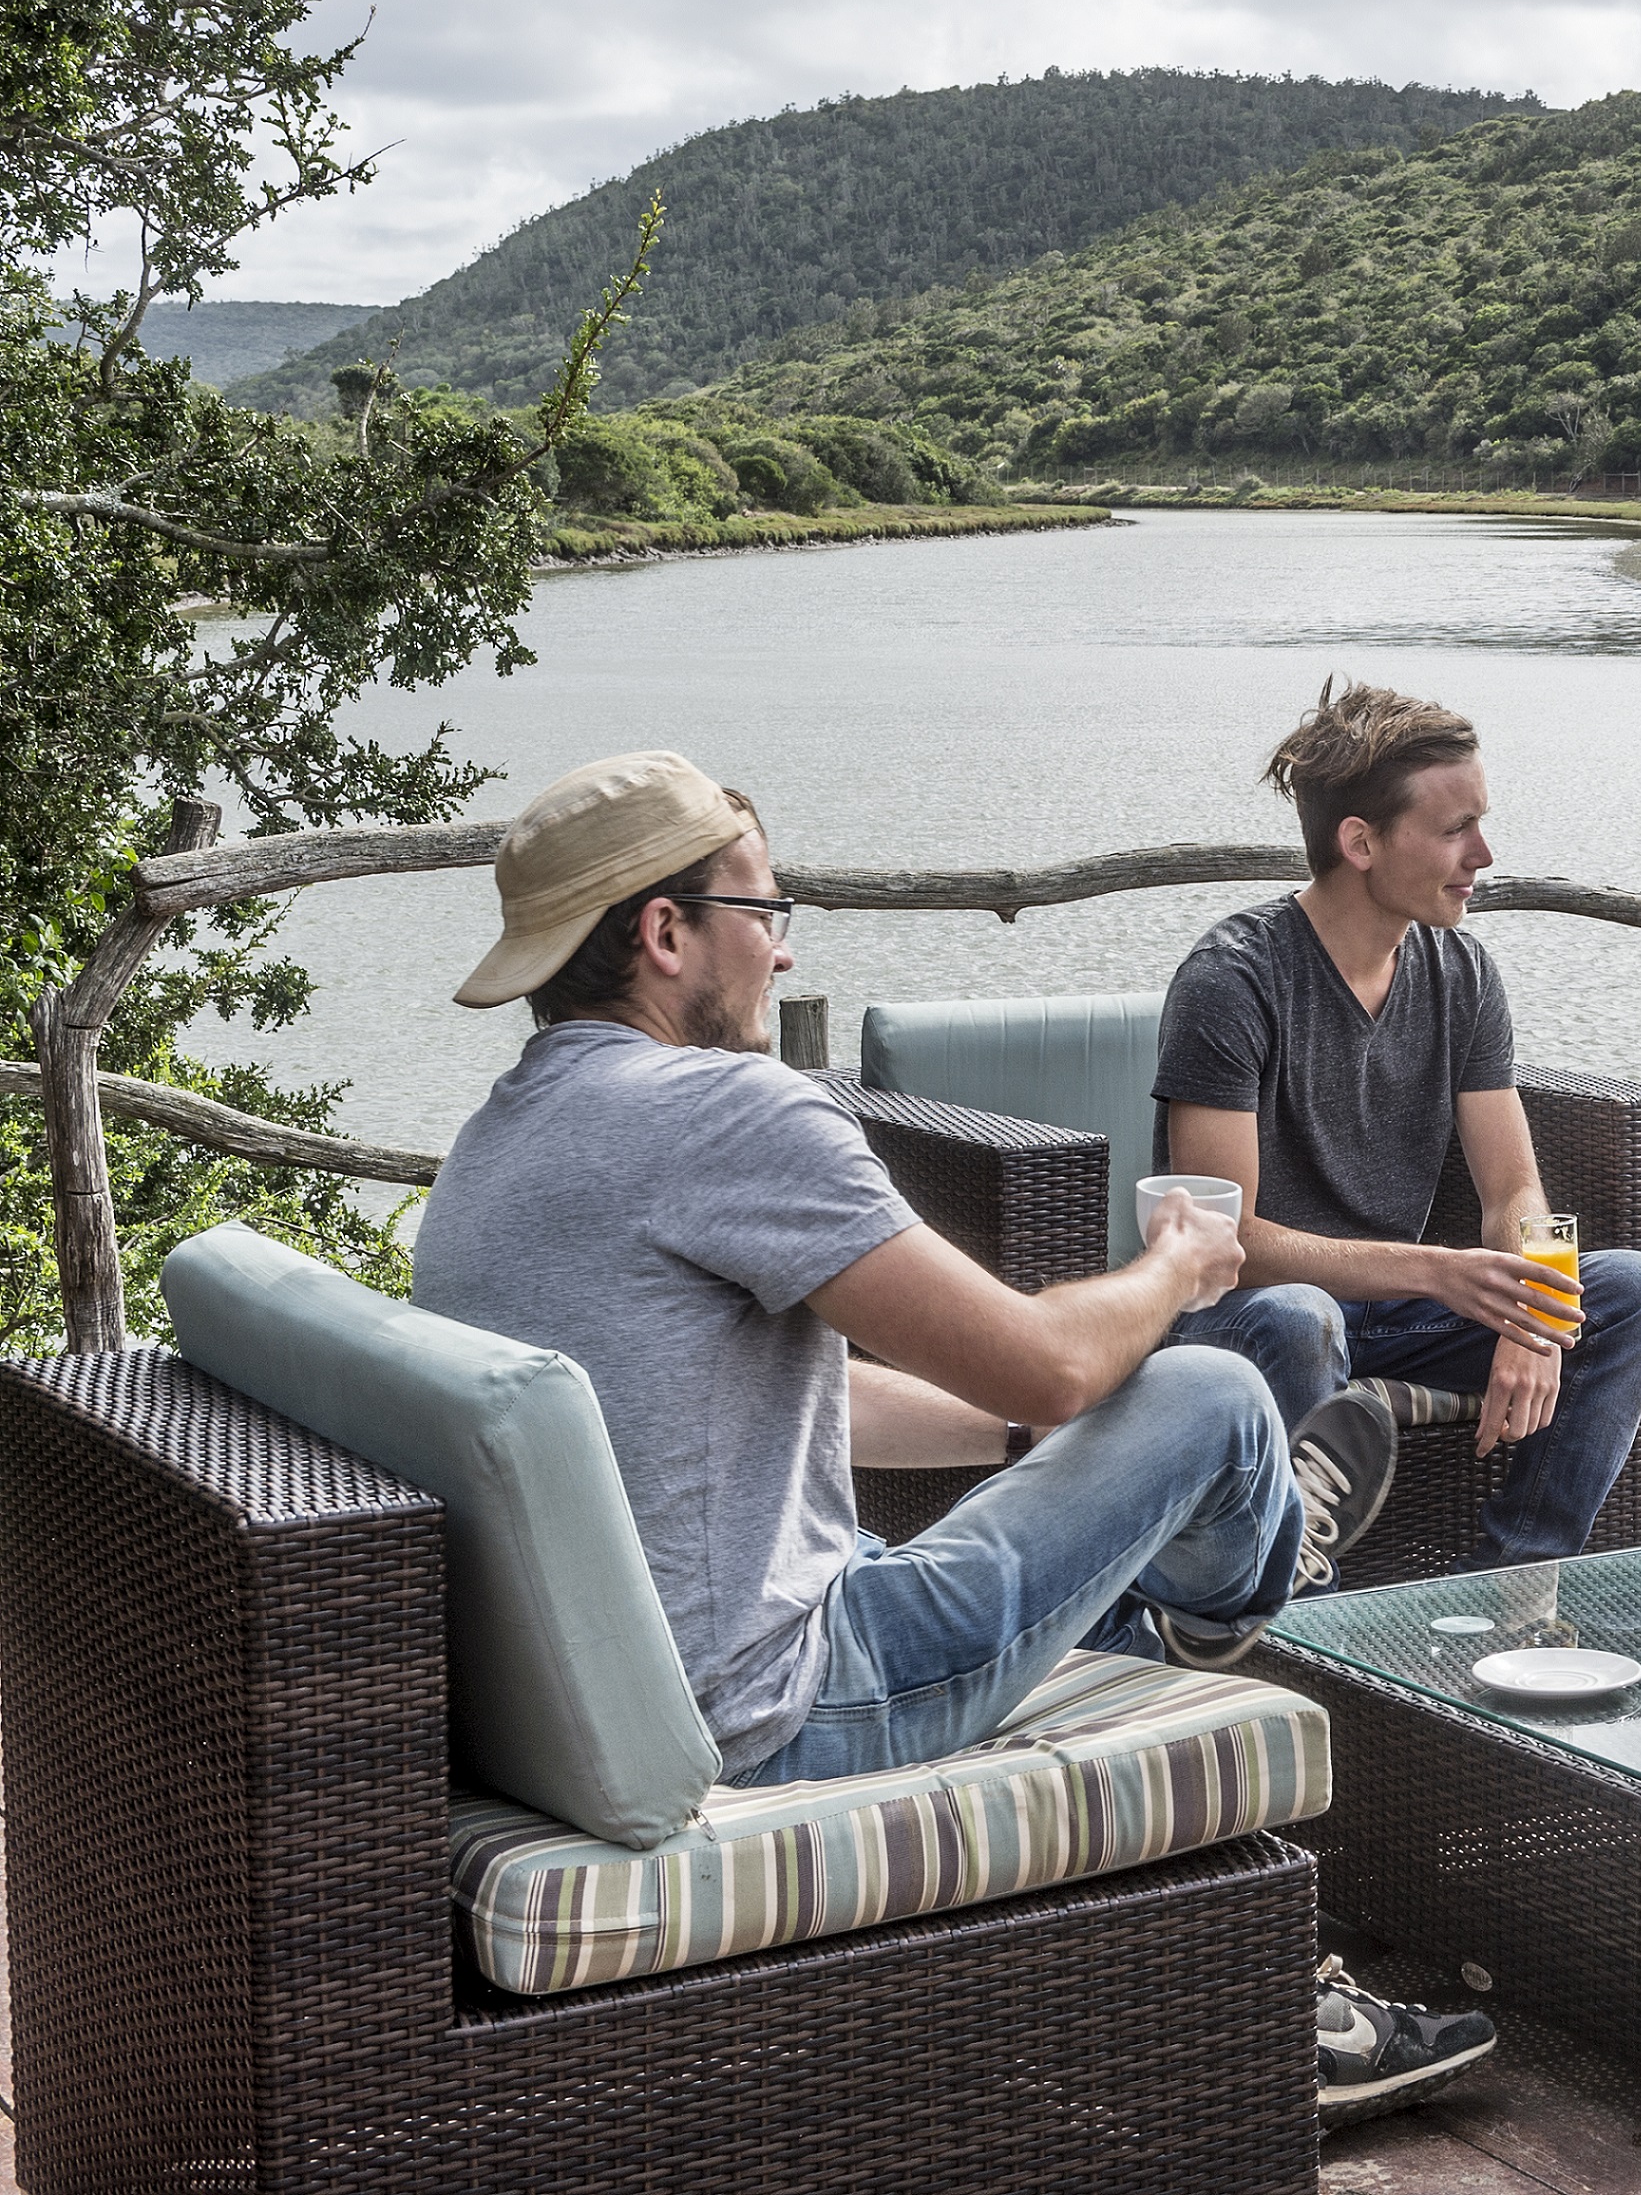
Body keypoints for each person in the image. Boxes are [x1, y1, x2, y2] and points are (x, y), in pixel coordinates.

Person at [413, 751, 1496, 2121]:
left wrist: (1058, 1464)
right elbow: (1049, 1362)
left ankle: (1194, 1615)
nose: (786, 943)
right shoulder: (730, 1110)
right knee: (1220, 1392)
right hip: (779, 1705)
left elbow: (792, 1397)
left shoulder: (497, 1143)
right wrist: (1174, 1262)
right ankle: (1274, 1552)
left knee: (1132, 1461)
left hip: (610, 1689)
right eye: (764, 906)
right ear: (665, 930)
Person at [1158, 680, 1641, 1572]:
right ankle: (1291, 1614)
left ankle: (1518, 1587)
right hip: (1248, 1321)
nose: (1483, 852)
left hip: (1398, 1314)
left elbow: (1513, 1188)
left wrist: (1532, 1309)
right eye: (1454, 829)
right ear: (1360, 841)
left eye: (1480, 822)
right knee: (1301, 1317)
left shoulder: (1462, 971)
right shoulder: (1233, 981)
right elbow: (1228, 1239)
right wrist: (1443, 1272)